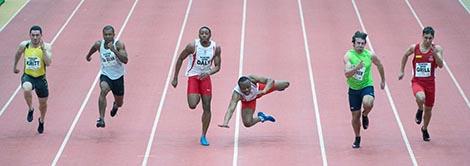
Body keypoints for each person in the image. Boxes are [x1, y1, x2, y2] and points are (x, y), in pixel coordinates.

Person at [171, 26, 221, 146]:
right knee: (192, 105)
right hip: (193, 76)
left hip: (205, 78)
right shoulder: (192, 46)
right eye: (201, 33)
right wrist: (175, 77)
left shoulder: (215, 48)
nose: (203, 35)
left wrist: (208, 72)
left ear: (210, 35)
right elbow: (180, 58)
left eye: (206, 33)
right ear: (199, 35)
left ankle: (203, 135)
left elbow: (218, 66)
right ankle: (197, 95)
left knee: (207, 107)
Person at [398, 26, 443, 142]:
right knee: (420, 97)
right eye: (426, 38)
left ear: (433, 38)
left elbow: (441, 65)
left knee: (429, 109)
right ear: (422, 36)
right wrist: (401, 70)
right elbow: (405, 55)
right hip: (417, 81)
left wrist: (435, 54)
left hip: (430, 83)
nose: (428, 40)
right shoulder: (415, 48)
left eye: (430, 38)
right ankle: (419, 109)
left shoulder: (437, 49)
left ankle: (424, 128)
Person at [344, 31, 385, 148]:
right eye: (358, 43)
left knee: (368, 102)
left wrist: (383, 80)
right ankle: (357, 137)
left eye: (363, 43)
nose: (360, 45)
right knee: (355, 117)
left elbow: (380, 64)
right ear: (353, 43)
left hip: (366, 85)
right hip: (353, 89)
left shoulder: (369, 55)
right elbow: (347, 74)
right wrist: (356, 68)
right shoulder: (348, 56)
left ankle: (365, 114)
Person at [86, 25, 128, 128]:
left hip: (118, 77)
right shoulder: (99, 44)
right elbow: (93, 48)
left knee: (120, 103)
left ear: (114, 35)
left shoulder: (118, 44)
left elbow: (125, 60)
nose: (108, 36)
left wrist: (114, 50)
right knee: (103, 90)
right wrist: (88, 56)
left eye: (110, 34)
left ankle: (115, 106)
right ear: (103, 35)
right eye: (106, 35)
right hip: (106, 75)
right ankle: (101, 118)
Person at [13, 25, 52, 134]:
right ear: (30, 35)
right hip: (28, 76)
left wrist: (43, 51)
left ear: (41, 36)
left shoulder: (47, 46)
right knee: (26, 88)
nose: (35, 37)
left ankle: (41, 120)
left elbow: (48, 63)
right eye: (33, 35)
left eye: (37, 35)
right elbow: (18, 54)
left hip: (41, 79)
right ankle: (30, 109)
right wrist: (15, 66)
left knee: (43, 104)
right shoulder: (24, 45)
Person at [218, 75, 289, 129]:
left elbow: (270, 80)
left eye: (248, 87)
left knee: (285, 84)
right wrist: (225, 122)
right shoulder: (237, 94)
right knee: (247, 123)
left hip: (260, 90)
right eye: (243, 89)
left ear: (250, 84)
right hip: (248, 101)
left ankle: (276, 88)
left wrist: (265, 91)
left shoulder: (252, 78)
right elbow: (231, 109)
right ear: (240, 88)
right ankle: (262, 117)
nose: (246, 90)